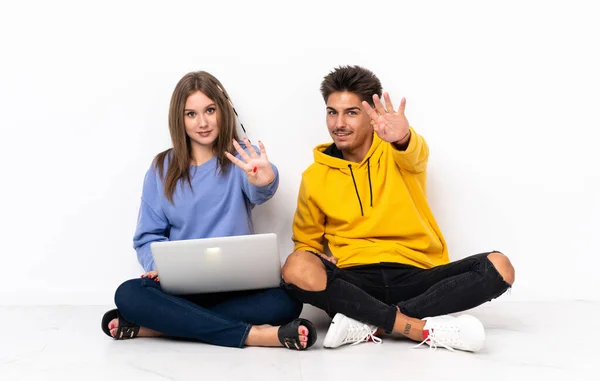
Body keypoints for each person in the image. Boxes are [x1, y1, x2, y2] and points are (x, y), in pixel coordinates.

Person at [281, 65, 515, 352]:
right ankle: (417, 328)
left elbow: (415, 154)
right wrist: (313, 255)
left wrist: (403, 137)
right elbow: (305, 243)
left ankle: (370, 323)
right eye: (332, 112)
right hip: (355, 281)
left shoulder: (399, 150)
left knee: (499, 267)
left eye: (351, 112)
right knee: (295, 266)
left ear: (371, 115)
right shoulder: (314, 176)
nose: (339, 123)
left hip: (416, 274)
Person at [100, 71, 316, 350]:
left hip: (238, 290)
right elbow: (147, 237)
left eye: (210, 110)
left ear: (223, 111)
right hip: (182, 291)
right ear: (179, 119)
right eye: (191, 114)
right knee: (128, 294)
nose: (202, 123)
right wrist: (157, 267)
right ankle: (254, 335)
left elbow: (261, 186)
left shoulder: (240, 160)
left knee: (286, 302)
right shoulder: (161, 169)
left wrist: (265, 178)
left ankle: (159, 328)